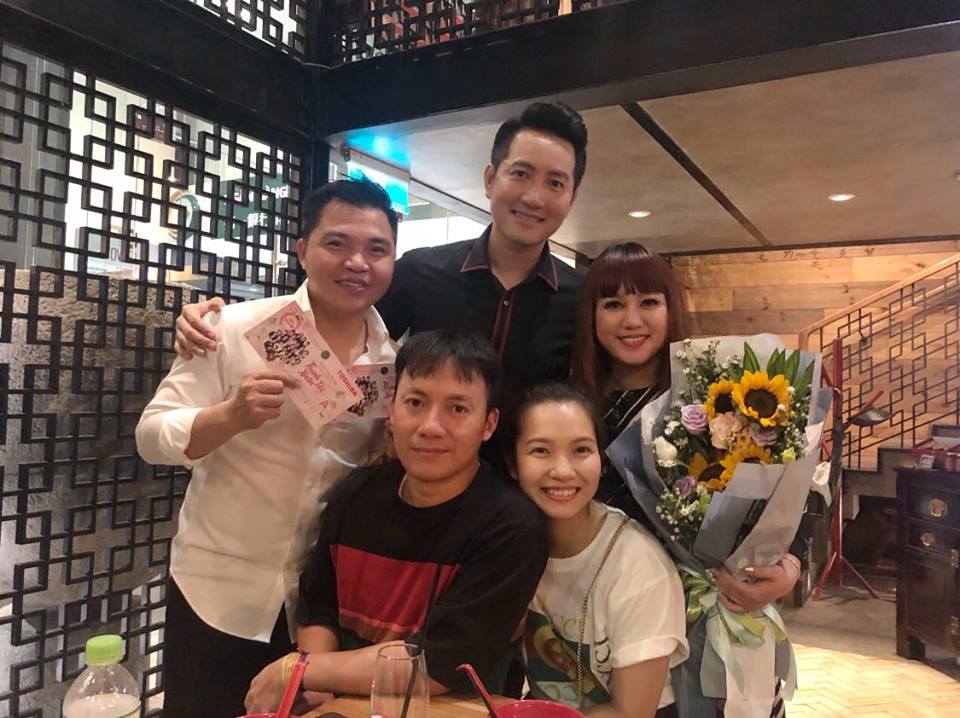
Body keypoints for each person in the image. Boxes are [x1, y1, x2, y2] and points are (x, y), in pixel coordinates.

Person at [135, 178, 399, 717]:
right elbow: (151, 435)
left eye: (377, 249)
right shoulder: (231, 328)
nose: (357, 262)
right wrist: (230, 416)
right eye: (337, 243)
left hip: (318, 611)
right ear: (302, 250)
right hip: (216, 591)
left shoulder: (390, 365)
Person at [172, 100, 587, 397]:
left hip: (527, 487)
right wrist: (221, 327)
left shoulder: (582, 297)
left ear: (572, 197)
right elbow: (336, 325)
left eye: (555, 183)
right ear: (490, 179)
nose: (534, 197)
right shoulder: (419, 270)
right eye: (521, 174)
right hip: (414, 479)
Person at [243, 331, 549, 714]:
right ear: (392, 408)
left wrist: (302, 670)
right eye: (415, 402)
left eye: (457, 409)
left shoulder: (511, 527)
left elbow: (439, 665)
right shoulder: (356, 494)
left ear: (489, 424)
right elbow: (319, 608)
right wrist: (318, 683)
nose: (430, 426)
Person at [569, 242, 802, 717]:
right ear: (591, 316)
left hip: (712, 617)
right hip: (610, 623)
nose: (631, 320)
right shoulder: (573, 406)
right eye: (613, 304)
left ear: (670, 309)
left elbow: (780, 498)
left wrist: (788, 569)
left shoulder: (715, 401)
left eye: (648, 302)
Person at [508, 383, 688, 718]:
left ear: (601, 461)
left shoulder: (637, 565)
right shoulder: (507, 546)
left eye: (581, 450)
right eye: (541, 451)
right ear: (512, 463)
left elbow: (631, 713)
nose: (563, 471)